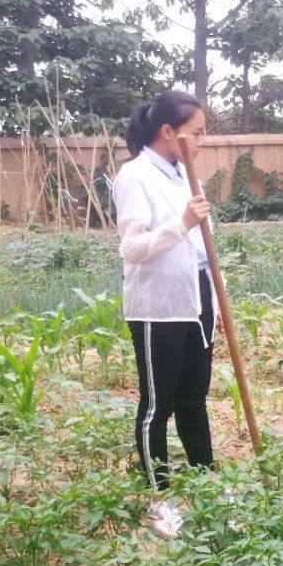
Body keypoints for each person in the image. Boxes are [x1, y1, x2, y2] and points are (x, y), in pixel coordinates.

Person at [113, 90, 217, 539]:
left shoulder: (183, 175)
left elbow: (198, 248)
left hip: (197, 298)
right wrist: (183, 223)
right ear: (167, 132)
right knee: (158, 405)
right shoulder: (135, 176)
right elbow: (133, 249)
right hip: (159, 307)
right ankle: (160, 500)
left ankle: (211, 487)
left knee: (194, 400)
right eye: (197, 133)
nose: (202, 141)